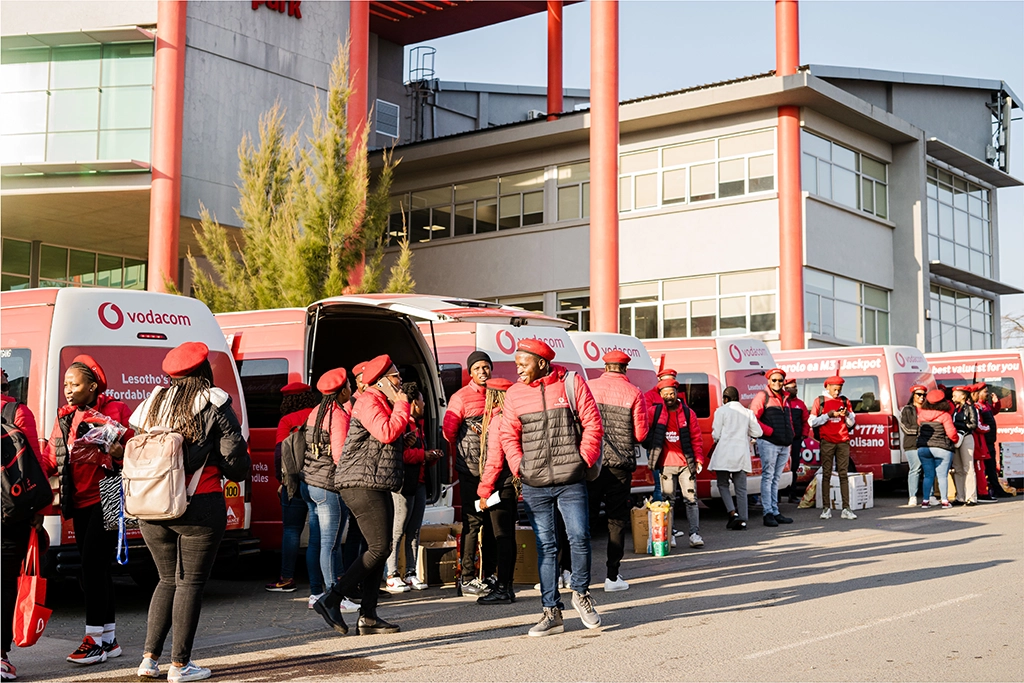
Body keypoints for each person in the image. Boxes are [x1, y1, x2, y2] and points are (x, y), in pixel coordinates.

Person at [130, 342, 249, 682]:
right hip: (199, 505)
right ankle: (180, 666)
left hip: (151, 506)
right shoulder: (215, 403)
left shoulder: (151, 404)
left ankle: (148, 660)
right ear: (203, 372)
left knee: (166, 580)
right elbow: (236, 464)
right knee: (190, 584)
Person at [499, 339, 603, 637]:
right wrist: (520, 466)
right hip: (535, 484)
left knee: (580, 537)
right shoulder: (515, 394)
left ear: (542, 363)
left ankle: (581, 594)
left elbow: (593, 423)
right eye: (516, 362)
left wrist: (583, 459)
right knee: (546, 547)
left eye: (523, 363)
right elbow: (508, 434)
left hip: (571, 479)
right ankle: (551, 613)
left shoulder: (571, 383)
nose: (518, 368)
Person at [44, 355, 132, 666]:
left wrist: (115, 451)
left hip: (108, 495)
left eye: (75, 384)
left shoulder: (115, 410)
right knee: (95, 569)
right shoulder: (65, 416)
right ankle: (108, 638)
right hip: (77, 499)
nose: (68, 390)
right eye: (66, 385)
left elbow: (130, 451)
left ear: (92, 386)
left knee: (92, 568)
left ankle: (93, 640)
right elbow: (50, 456)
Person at [313, 354, 408, 636]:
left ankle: (368, 616)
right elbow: (387, 432)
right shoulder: (368, 401)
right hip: (359, 483)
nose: (400, 381)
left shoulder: (380, 401)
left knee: (379, 550)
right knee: (379, 548)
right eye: (395, 377)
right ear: (380, 381)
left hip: (375, 482)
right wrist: (403, 403)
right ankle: (331, 599)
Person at [2, 371, 52, 683]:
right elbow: (34, 464)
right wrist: (41, 511)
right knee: (5, 583)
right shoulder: (17, 412)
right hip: (11, 515)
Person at [585, 351, 649, 592]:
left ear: (605, 366)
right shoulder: (634, 393)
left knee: (584, 519)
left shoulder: (589, 387)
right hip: (619, 466)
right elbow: (640, 435)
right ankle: (612, 576)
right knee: (616, 521)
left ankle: (572, 572)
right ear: (625, 369)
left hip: (592, 462)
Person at [302, 369, 358, 610]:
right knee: (331, 543)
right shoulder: (338, 416)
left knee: (318, 541)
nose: (351, 390)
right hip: (328, 486)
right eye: (348, 386)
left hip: (310, 483)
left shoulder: (316, 412)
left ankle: (318, 592)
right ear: (341, 391)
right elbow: (340, 456)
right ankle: (333, 597)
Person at [443, 351, 497, 596]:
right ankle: (466, 578)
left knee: (494, 525)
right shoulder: (461, 398)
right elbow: (449, 433)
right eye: (478, 368)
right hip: (470, 473)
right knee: (472, 524)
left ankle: (489, 576)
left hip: (495, 473)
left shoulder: (498, 396)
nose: (483, 371)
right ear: (470, 373)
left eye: (486, 367)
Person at [266, 382, 324, 596]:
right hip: (319, 480)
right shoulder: (320, 415)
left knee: (291, 531)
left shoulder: (287, 420)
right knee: (319, 532)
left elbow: (280, 455)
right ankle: (321, 578)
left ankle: (287, 578)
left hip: (294, 482)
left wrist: (282, 482)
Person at [385, 382, 441, 592]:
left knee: (414, 530)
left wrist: (430, 457)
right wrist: (422, 455)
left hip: (418, 483)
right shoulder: (401, 425)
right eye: (421, 400)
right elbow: (398, 455)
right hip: (403, 485)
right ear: (414, 403)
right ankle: (391, 574)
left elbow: (417, 454)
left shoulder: (418, 426)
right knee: (397, 530)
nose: (424, 403)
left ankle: (410, 573)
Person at [476, 378, 518, 604]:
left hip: (499, 486)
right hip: (513, 484)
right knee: (509, 537)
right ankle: (508, 585)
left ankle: (502, 588)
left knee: (501, 537)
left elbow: (494, 460)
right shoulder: (514, 416)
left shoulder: (497, 419)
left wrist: (484, 491)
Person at [648, 379, 704, 548]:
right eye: (665, 394)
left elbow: (696, 438)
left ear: (676, 393)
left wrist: (699, 459)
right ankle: (669, 534)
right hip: (665, 465)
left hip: (686, 465)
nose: (669, 397)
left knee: (691, 499)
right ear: (660, 395)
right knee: (667, 502)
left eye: (671, 393)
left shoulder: (688, 413)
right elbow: (643, 427)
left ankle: (694, 534)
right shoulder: (654, 412)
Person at [711, 386, 762, 530]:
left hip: (724, 454)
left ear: (725, 399)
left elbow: (716, 435)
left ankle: (732, 513)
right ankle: (743, 519)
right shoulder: (748, 413)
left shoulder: (721, 411)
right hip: (741, 454)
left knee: (723, 484)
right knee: (741, 489)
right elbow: (758, 432)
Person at [749, 368, 795, 527]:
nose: (777, 383)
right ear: (768, 381)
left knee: (776, 478)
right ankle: (767, 512)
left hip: (783, 443)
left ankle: (775, 511)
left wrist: (790, 435)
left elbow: (787, 418)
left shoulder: (785, 397)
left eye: (780, 380)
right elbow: (752, 417)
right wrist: (769, 431)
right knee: (768, 477)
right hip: (769, 442)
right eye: (774, 380)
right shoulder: (763, 396)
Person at [808, 376, 858, 520]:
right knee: (827, 474)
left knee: (843, 474)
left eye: (839, 389)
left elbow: (850, 423)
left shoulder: (844, 401)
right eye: (835, 389)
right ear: (828, 387)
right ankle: (826, 508)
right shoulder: (820, 401)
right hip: (827, 441)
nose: (837, 392)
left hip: (843, 440)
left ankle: (846, 508)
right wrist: (828, 415)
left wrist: (847, 414)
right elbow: (812, 422)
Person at [916, 389, 958, 509]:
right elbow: (951, 433)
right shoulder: (945, 416)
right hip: (942, 448)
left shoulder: (921, 414)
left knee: (928, 475)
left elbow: (919, 426)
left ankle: (925, 501)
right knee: (942, 476)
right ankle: (944, 501)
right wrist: (955, 440)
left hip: (924, 448)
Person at [644, 368, 678, 503]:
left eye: (672, 380)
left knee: (672, 486)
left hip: (674, 445)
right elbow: (645, 419)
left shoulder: (677, 397)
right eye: (666, 380)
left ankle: (669, 516)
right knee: (659, 484)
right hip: (656, 445)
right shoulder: (650, 396)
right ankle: (660, 517)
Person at [974, 384, 1007, 498]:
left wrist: (996, 403)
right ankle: (991, 489)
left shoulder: (986, 405)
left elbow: (994, 411)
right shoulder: (978, 407)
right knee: (988, 467)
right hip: (984, 442)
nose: (987, 394)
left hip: (990, 441)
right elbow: (979, 425)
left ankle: (995, 488)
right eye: (985, 392)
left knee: (992, 467)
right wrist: (987, 429)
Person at [899, 385, 928, 507]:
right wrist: (921, 430)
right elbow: (905, 427)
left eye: (924, 395)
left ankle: (929, 496)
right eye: (919, 395)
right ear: (913, 396)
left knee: (928, 470)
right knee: (915, 468)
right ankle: (912, 496)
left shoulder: (928, 409)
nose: (921, 397)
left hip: (927, 442)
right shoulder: (907, 409)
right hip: (912, 444)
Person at [949, 386, 978, 506]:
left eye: (955, 395)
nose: (952, 397)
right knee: (958, 468)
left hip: (966, 437)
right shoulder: (956, 409)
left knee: (968, 467)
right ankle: (960, 496)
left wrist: (958, 425)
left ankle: (971, 497)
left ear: (963, 396)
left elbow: (973, 425)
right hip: (957, 438)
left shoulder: (970, 407)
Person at [783, 378, 809, 503]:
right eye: (792, 387)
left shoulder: (800, 404)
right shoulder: (782, 402)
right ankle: (777, 496)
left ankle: (792, 494)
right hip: (782, 440)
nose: (795, 389)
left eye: (796, 387)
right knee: (780, 467)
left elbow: (806, 421)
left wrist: (804, 434)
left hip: (796, 440)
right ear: (786, 389)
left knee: (794, 466)